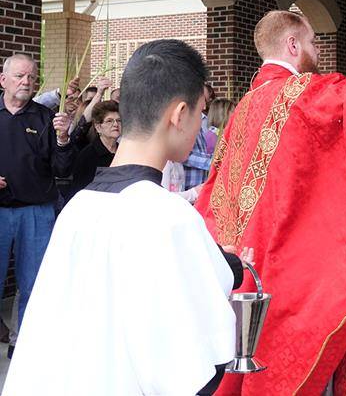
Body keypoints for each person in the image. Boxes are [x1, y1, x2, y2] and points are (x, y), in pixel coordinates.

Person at [194, 4, 346, 395]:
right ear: (292, 45)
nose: (319, 50)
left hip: (240, 271)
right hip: (286, 272)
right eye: (313, 41)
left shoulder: (243, 107)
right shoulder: (295, 93)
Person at [3, 40, 251, 395]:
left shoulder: (78, 208)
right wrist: (226, 266)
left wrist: (219, 263)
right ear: (179, 114)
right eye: (201, 112)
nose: (202, 124)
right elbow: (193, 359)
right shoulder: (168, 215)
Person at [0, 54, 74, 354]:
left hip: (37, 212)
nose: (26, 82)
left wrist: (64, 138)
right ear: (3, 79)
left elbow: (62, 169)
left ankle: (25, 345)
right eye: (19, 76)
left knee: (34, 283)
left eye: (31, 77)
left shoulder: (44, 118)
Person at [67, 100, 121, 201]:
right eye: (109, 121)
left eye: (119, 120)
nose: (115, 124)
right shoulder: (87, 156)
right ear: (98, 127)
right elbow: (79, 191)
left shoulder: (124, 153)